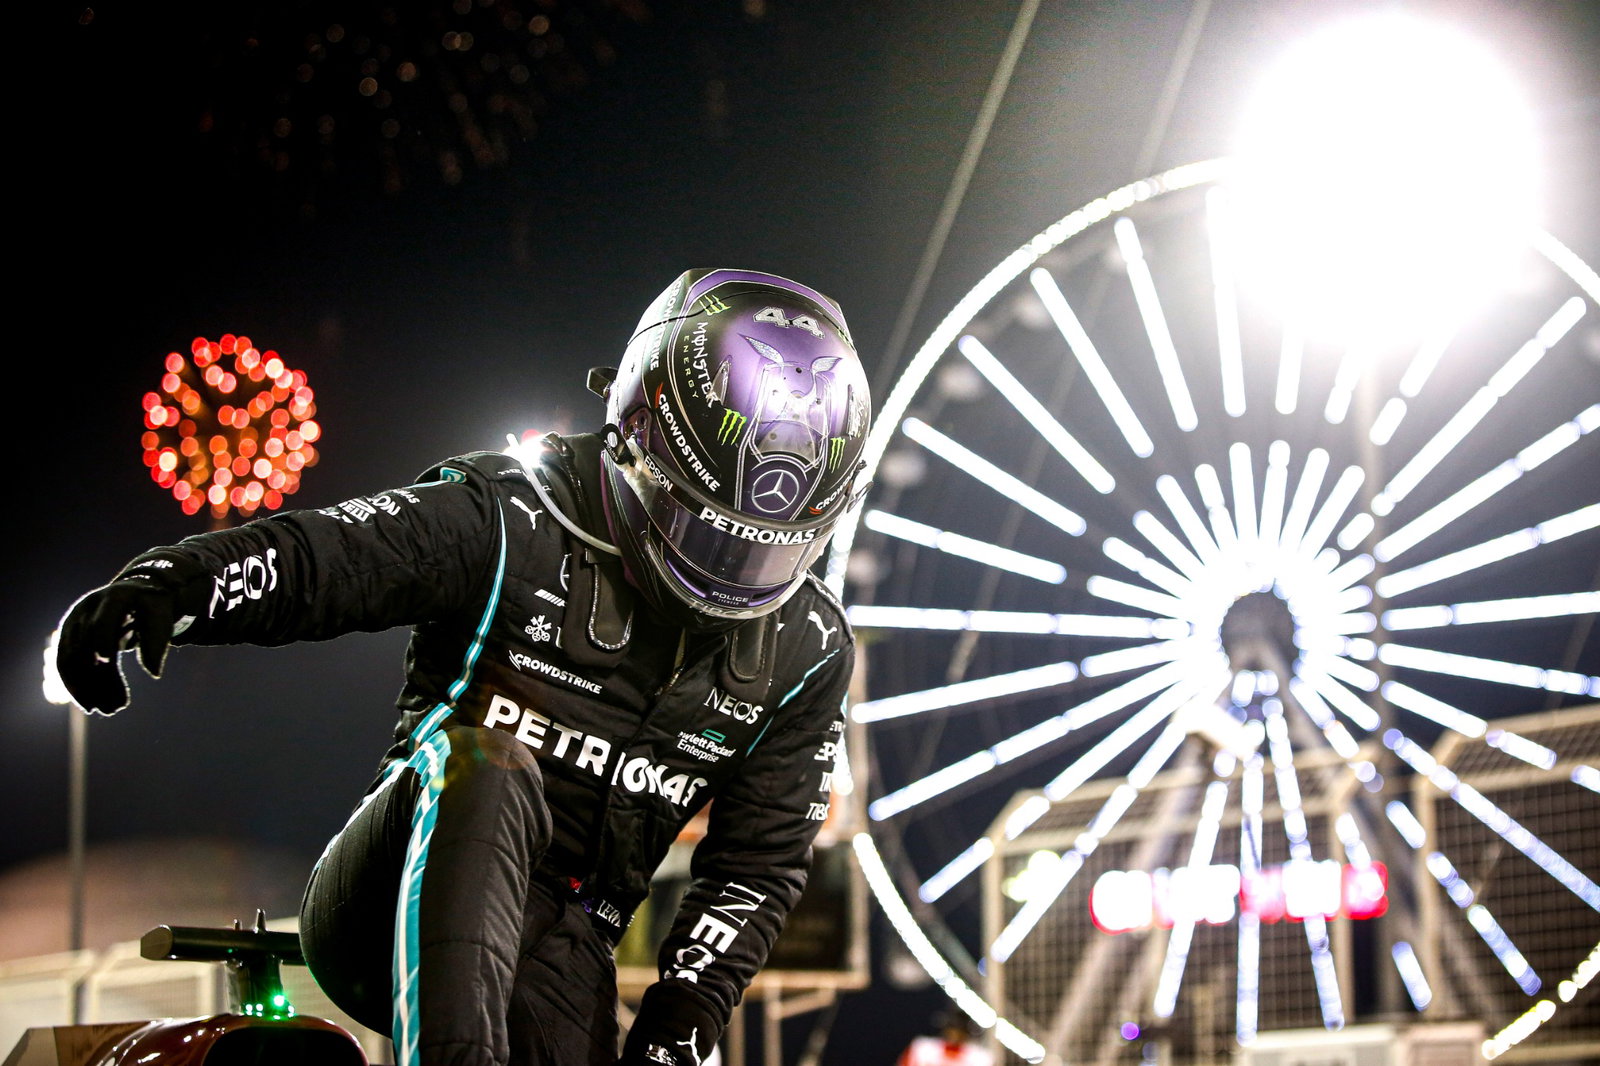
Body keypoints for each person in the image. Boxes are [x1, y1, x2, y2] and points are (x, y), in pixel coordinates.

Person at [53, 268, 873, 1066]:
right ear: (635, 439)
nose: (726, 576)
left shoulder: (811, 648)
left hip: (563, 943)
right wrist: (180, 583)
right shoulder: (514, 513)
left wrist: (676, 1031)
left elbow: (757, 870)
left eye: (764, 551)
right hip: (390, 894)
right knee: (486, 763)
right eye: (706, 531)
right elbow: (334, 558)